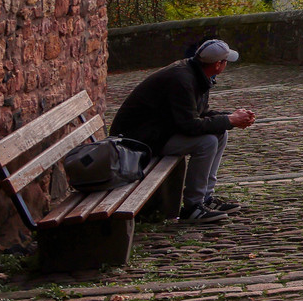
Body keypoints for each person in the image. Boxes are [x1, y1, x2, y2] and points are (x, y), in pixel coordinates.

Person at [110, 38, 256, 225]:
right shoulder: (182, 80)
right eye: (226, 61)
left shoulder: (198, 74)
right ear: (218, 64)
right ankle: (192, 207)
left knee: (220, 133)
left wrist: (230, 117)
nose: (226, 65)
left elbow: (198, 114)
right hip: (138, 141)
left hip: (159, 131)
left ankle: (205, 197)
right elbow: (191, 125)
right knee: (207, 142)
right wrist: (229, 120)